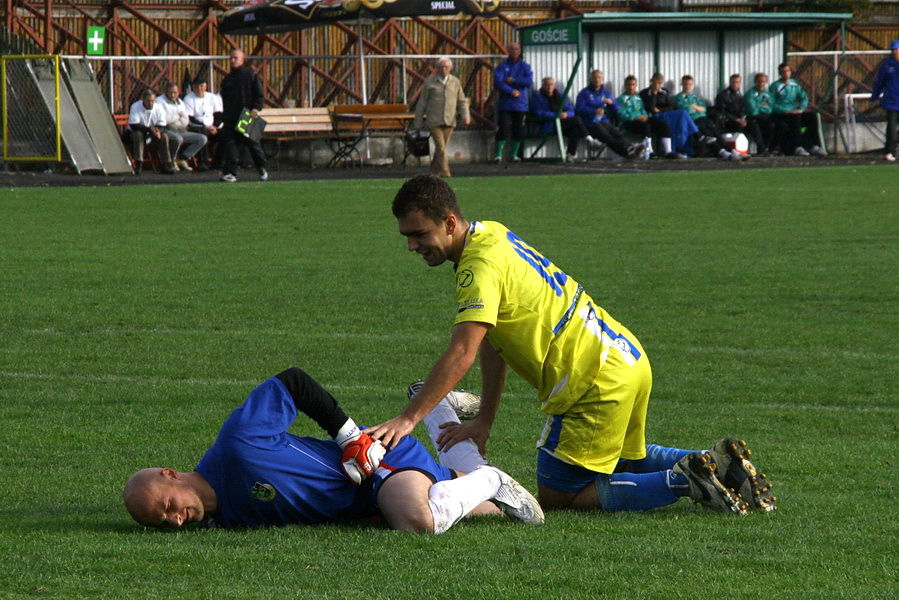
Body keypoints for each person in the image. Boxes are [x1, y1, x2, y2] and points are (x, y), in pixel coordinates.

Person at [367, 174, 777, 517]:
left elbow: (463, 352)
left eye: (420, 234)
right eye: (406, 236)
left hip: (589, 384)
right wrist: (485, 418)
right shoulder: (491, 233)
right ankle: (715, 462)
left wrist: (407, 419)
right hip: (626, 357)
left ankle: (683, 479)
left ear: (450, 222)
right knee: (623, 460)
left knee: (557, 497)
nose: (412, 246)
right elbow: (495, 341)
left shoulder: (478, 268)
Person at [123, 366, 543, 533]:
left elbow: (293, 382)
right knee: (486, 506)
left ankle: (491, 478)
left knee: (419, 519)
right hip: (370, 499)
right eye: (165, 523)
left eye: (168, 506)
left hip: (377, 463)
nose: (177, 521)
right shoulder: (223, 518)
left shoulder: (237, 445)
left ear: (170, 474)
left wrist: (348, 438)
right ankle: (445, 418)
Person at [413, 57, 471, 177]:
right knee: (442, 148)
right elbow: (422, 103)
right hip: (434, 121)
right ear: (437, 68)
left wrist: (466, 115)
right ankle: (446, 172)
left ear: (450, 68)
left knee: (441, 149)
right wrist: (417, 123)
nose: (443, 69)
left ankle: (434, 171)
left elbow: (461, 101)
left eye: (446, 67)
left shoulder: (455, 82)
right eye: (441, 67)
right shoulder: (430, 82)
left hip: (449, 120)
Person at [219, 48, 268, 182]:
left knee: (253, 144)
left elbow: (259, 96)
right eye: (231, 58)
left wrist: (256, 109)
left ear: (242, 59)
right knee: (231, 145)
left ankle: (262, 168)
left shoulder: (250, 75)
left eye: (236, 58)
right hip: (231, 117)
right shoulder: (227, 79)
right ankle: (231, 173)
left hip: (247, 115)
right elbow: (223, 98)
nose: (233, 60)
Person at [574, 69, 643, 159]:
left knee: (616, 133)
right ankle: (628, 151)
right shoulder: (584, 93)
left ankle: (629, 150)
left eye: (599, 77)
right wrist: (593, 111)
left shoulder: (605, 93)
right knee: (606, 136)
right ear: (590, 79)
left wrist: (611, 103)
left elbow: (616, 108)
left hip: (604, 121)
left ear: (602, 79)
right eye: (594, 78)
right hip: (590, 123)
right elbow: (579, 109)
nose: (597, 80)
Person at [674, 75, 745, 160]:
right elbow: (687, 110)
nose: (688, 86)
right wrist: (697, 108)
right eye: (686, 84)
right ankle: (722, 152)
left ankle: (730, 150)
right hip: (692, 120)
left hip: (703, 118)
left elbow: (704, 109)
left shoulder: (695, 97)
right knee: (707, 134)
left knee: (715, 132)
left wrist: (695, 107)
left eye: (690, 84)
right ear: (682, 84)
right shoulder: (679, 97)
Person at [529, 76, 601, 161]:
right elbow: (538, 112)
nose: (549, 87)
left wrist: (566, 114)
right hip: (550, 124)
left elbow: (571, 110)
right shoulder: (537, 97)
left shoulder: (560, 96)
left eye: (551, 84)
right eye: (547, 85)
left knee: (575, 129)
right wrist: (556, 115)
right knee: (576, 119)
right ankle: (591, 140)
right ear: (543, 86)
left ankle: (570, 154)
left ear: (554, 85)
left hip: (563, 123)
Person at [769, 63, 826, 157]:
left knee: (812, 116)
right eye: (783, 72)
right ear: (780, 73)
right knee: (796, 118)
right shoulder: (775, 86)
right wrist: (784, 110)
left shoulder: (794, 84)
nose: (786, 73)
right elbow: (771, 103)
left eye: (787, 71)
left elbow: (804, 97)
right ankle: (798, 146)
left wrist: (801, 108)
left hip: (795, 112)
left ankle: (815, 145)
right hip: (782, 114)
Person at [639, 72, 696, 158]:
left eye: (659, 83)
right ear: (651, 81)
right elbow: (649, 108)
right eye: (655, 83)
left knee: (682, 119)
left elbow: (670, 106)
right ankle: (698, 136)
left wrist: (660, 110)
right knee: (682, 113)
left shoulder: (664, 92)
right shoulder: (645, 93)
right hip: (654, 116)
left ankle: (679, 149)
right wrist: (654, 94)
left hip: (664, 114)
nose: (657, 85)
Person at [493, 42, 533, 163]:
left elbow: (528, 81)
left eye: (516, 49)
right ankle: (498, 155)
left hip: (520, 104)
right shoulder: (502, 66)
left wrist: (514, 80)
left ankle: (514, 155)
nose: (514, 51)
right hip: (505, 103)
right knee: (503, 128)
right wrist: (511, 91)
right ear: (508, 51)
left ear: (520, 51)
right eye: (512, 49)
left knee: (518, 129)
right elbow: (498, 82)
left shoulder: (525, 66)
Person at [616, 75, 674, 159]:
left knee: (663, 125)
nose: (631, 87)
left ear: (636, 86)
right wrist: (636, 117)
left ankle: (668, 152)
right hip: (629, 122)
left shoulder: (638, 98)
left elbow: (643, 110)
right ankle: (649, 151)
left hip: (642, 119)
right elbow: (621, 114)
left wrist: (645, 116)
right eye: (629, 84)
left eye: (633, 84)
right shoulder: (621, 99)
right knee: (646, 127)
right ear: (625, 86)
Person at [156, 82, 208, 172]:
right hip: (165, 130)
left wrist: (175, 120)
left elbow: (185, 119)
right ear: (166, 92)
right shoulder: (160, 102)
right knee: (178, 138)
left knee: (202, 138)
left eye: (175, 92)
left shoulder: (180, 102)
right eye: (170, 92)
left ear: (178, 92)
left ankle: (182, 158)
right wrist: (177, 117)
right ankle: (172, 160)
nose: (172, 95)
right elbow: (164, 120)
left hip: (180, 129)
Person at [125, 88, 175, 175]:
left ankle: (166, 164)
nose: (151, 103)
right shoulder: (135, 106)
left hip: (151, 133)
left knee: (164, 137)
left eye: (152, 101)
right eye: (148, 101)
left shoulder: (158, 108)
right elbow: (134, 125)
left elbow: (162, 124)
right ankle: (139, 163)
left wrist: (158, 131)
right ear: (143, 99)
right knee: (138, 135)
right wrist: (150, 129)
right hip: (136, 132)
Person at [870, 40, 899, 162]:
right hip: (892, 101)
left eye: (896, 50)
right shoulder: (887, 65)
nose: (894, 52)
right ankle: (889, 151)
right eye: (893, 50)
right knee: (891, 129)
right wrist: (874, 96)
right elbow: (879, 82)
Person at [182, 76, 220, 171]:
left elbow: (219, 114)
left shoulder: (212, 97)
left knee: (227, 135)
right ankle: (203, 162)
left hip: (213, 126)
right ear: (193, 88)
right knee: (202, 132)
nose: (199, 89)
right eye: (197, 87)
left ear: (205, 87)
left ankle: (219, 162)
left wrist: (214, 126)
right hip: (196, 127)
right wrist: (206, 127)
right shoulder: (188, 98)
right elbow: (190, 118)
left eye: (201, 86)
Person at [744, 72, 775, 156]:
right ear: (755, 82)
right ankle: (761, 149)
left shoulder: (768, 94)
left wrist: (758, 105)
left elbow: (770, 109)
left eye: (763, 82)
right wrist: (763, 106)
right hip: (751, 118)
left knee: (772, 125)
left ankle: (767, 148)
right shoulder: (750, 94)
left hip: (764, 117)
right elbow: (753, 110)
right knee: (755, 125)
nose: (761, 84)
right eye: (759, 81)